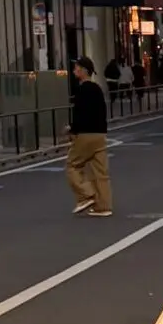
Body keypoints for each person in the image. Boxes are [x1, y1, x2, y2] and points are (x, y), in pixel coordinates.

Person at [66, 57, 112, 218]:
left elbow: (80, 114)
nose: (73, 71)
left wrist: (72, 128)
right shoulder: (98, 89)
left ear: (83, 71)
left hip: (86, 134)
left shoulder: (82, 90)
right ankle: (103, 206)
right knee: (101, 171)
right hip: (100, 134)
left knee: (72, 165)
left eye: (76, 68)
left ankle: (86, 195)